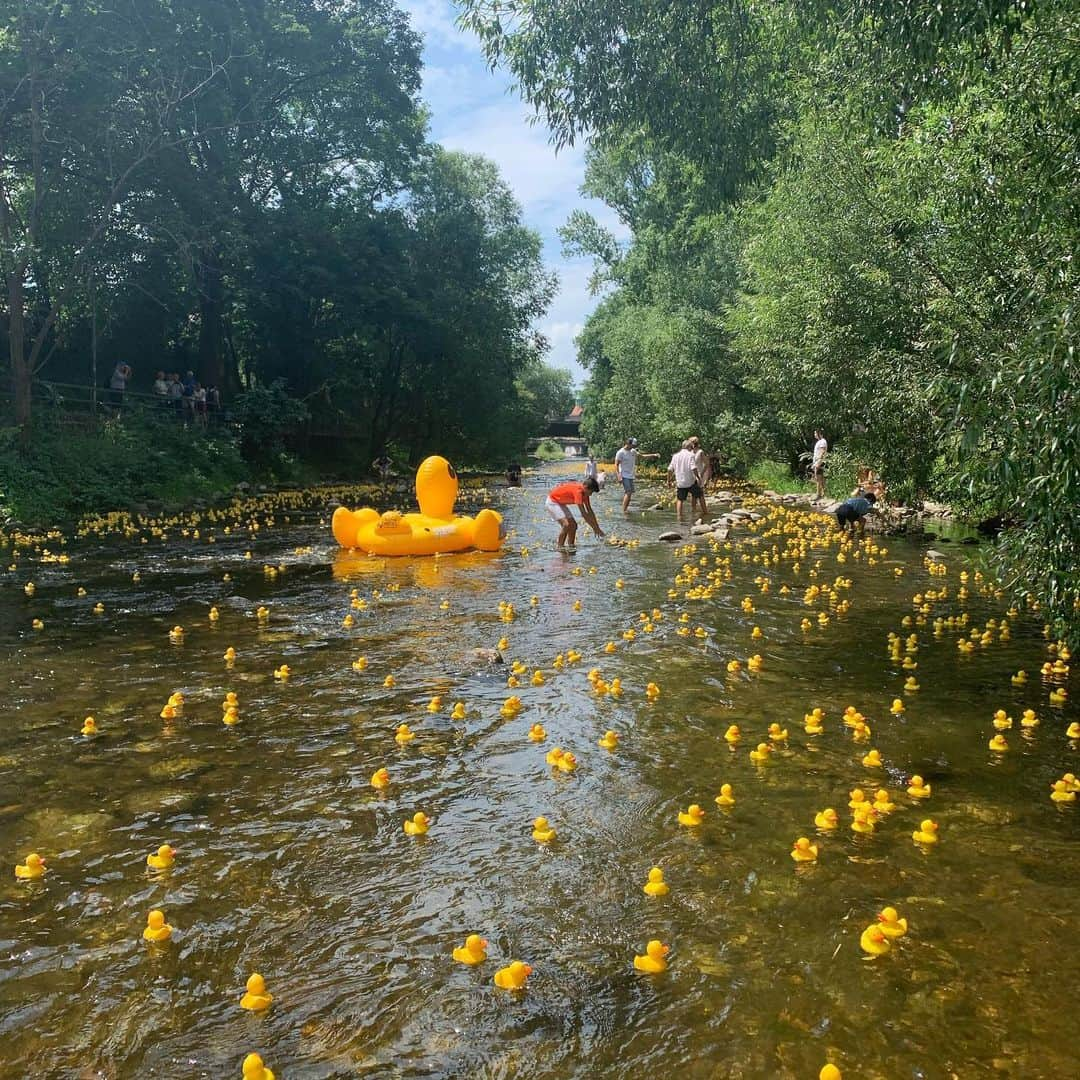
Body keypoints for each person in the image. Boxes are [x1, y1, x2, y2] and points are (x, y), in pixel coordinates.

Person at [545, 476, 604, 550]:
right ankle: (560, 548)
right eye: (591, 492)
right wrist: (594, 528)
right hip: (552, 502)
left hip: (560, 503)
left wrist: (597, 528)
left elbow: (590, 511)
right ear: (585, 487)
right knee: (566, 525)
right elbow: (584, 514)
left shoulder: (585, 494)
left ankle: (571, 547)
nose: (591, 495)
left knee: (573, 525)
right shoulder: (578, 492)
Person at [614, 437, 659, 515]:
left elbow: (642, 456)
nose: (634, 447)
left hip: (631, 475)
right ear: (628, 443)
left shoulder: (633, 451)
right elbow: (616, 465)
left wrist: (653, 455)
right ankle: (624, 510)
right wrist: (618, 476)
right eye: (633, 445)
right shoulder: (620, 452)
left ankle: (625, 509)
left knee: (630, 493)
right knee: (628, 492)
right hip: (624, 475)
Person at [668, 440, 703, 526]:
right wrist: (698, 477)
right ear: (689, 447)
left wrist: (668, 480)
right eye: (691, 447)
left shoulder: (675, 456)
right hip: (690, 481)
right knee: (700, 495)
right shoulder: (691, 455)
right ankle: (705, 513)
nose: (692, 449)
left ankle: (679, 517)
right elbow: (693, 468)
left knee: (680, 499)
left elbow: (669, 469)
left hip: (680, 482)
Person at [688, 436, 711, 522]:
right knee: (693, 495)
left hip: (699, 475)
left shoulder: (700, 452)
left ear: (694, 443)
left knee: (700, 494)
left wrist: (701, 474)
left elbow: (707, 463)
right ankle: (694, 511)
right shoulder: (690, 452)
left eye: (690, 442)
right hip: (692, 475)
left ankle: (705, 512)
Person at [811, 428, 828, 500]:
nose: (814, 435)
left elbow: (822, 452)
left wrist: (818, 463)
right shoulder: (820, 441)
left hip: (820, 462)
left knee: (818, 479)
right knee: (821, 478)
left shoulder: (822, 442)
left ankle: (818, 494)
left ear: (819, 434)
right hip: (818, 462)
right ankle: (824, 493)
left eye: (815, 433)